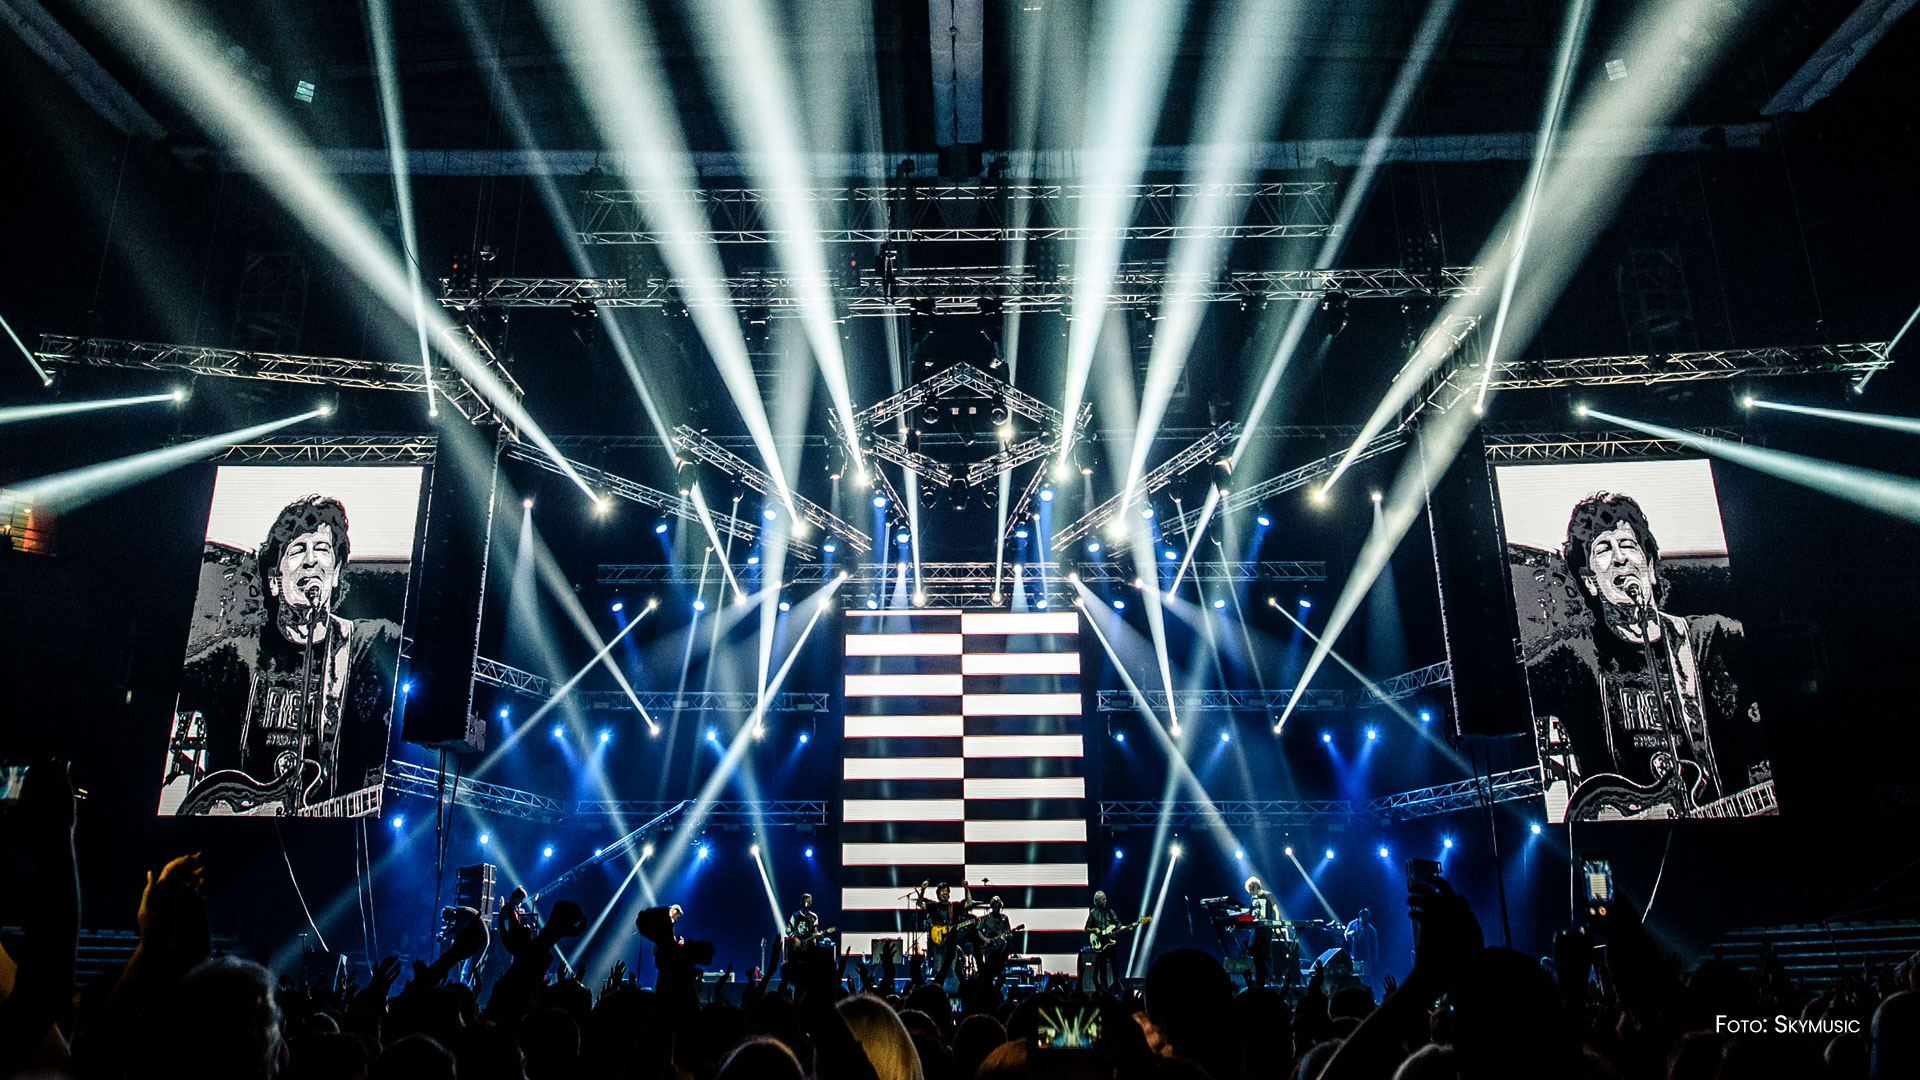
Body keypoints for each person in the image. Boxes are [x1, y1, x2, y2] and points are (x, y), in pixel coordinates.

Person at [1529, 491, 1768, 821]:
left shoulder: (1715, 638)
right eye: (1603, 549)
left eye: (1628, 545)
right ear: (1590, 581)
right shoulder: (1576, 659)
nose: (1619, 559)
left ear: (1651, 568)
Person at [165, 494, 401, 817]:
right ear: (275, 581)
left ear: (335, 573)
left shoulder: (368, 645)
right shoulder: (236, 654)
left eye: (322, 550)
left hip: (327, 834)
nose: (311, 561)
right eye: (297, 550)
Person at [1084, 890, 1123, 993]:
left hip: (1111, 943)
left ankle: (1116, 990)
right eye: (1103, 899)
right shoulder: (1093, 913)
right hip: (1101, 944)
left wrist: (1114, 928)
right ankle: (1105, 992)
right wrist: (1095, 929)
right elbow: (1086, 928)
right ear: (1097, 901)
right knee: (1102, 970)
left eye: (1105, 899)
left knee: (1115, 969)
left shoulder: (1110, 912)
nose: (1105, 901)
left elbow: (1118, 924)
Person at [1246, 876, 1280, 989]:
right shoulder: (1253, 898)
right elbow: (1250, 913)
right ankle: (1261, 977)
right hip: (1257, 928)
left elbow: (1276, 911)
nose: (1252, 893)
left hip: (1266, 929)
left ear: (1256, 887)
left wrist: (1276, 925)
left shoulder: (1268, 895)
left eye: (1252, 891)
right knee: (1252, 949)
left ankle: (1264, 978)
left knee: (1263, 953)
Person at [973, 897, 1015, 985]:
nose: (997, 909)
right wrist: (985, 939)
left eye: (998, 907)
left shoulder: (1004, 918)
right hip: (989, 948)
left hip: (1001, 949)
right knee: (989, 971)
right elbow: (977, 931)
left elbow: (1009, 933)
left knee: (1001, 972)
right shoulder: (986, 918)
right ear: (992, 907)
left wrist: (1006, 937)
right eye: (995, 907)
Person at [1344, 907, 1379, 994]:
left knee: (1366, 979)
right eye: (1364, 917)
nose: (1367, 919)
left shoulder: (1371, 930)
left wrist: (1375, 958)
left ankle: (1368, 995)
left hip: (1366, 959)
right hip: (1354, 957)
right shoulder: (1352, 924)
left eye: (1368, 917)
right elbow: (1346, 935)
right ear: (1360, 916)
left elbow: (1375, 945)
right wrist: (1352, 933)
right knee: (1355, 978)